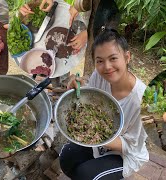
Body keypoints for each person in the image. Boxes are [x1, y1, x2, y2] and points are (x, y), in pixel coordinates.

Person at [59, 27, 149, 179]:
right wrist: (78, 86)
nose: (107, 66)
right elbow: (90, 101)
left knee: (87, 175)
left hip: (125, 153)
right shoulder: (100, 76)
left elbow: (134, 146)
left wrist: (98, 137)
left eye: (113, 58)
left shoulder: (141, 101)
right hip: (98, 142)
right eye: (99, 61)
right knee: (66, 158)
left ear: (127, 57)